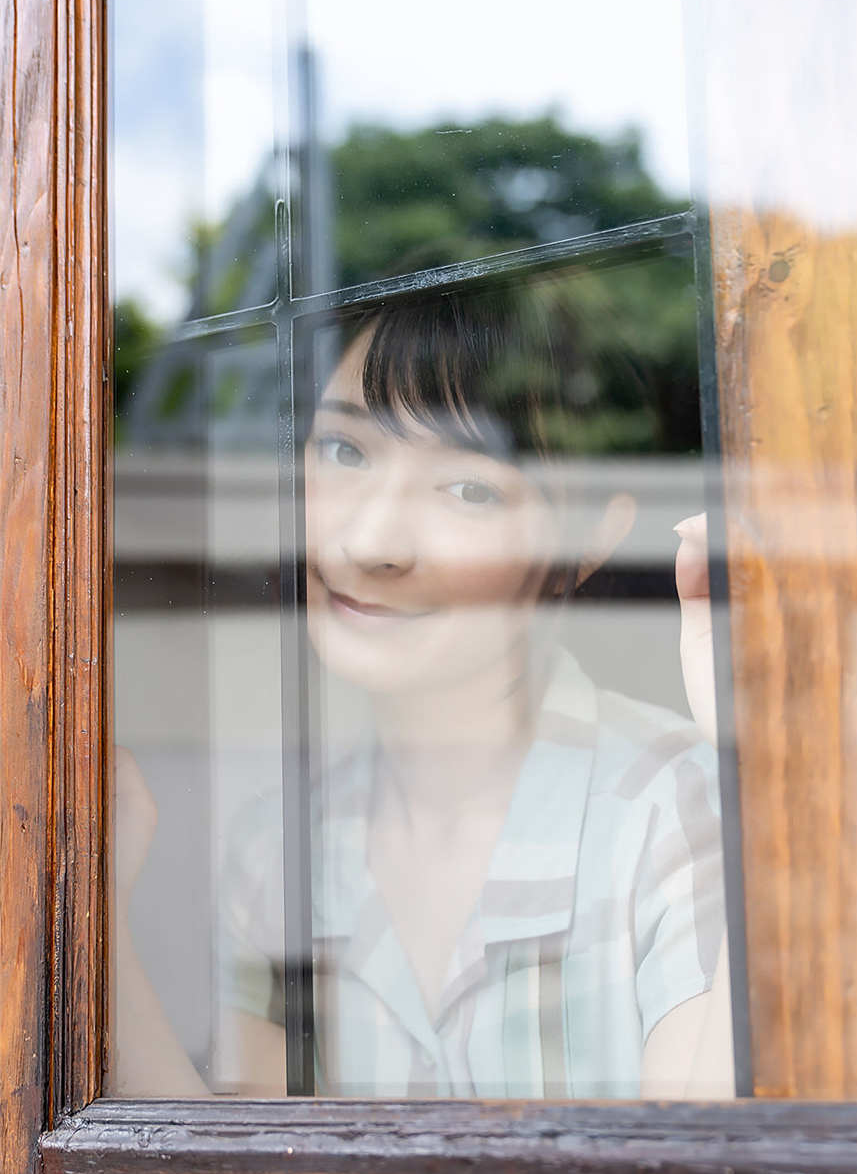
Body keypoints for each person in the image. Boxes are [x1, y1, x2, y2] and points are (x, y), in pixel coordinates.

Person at [113, 271, 733, 1100]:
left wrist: (756, 773)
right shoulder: (281, 852)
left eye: (468, 487)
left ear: (592, 535)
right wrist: (96, 907)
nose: (369, 543)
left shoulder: (680, 810)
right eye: (343, 450)